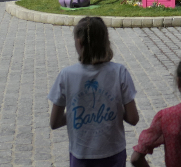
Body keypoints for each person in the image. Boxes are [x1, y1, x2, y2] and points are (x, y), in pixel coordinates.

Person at [49, 16, 139, 167]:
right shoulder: (119, 72)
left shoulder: (66, 75)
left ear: (79, 41)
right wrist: (113, 109)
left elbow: (54, 122)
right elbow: (133, 118)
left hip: (81, 155)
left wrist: (77, 113)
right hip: (114, 154)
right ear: (106, 42)